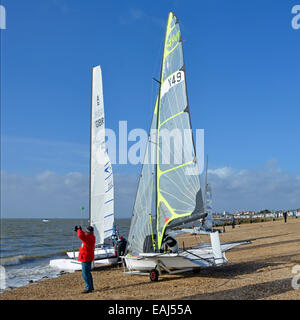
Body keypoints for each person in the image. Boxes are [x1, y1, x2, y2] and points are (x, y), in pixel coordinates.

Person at [74, 225, 95, 293]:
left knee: (85, 274)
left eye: (86, 231)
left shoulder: (88, 237)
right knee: (87, 273)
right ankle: (90, 287)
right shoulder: (91, 236)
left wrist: (79, 229)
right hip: (88, 256)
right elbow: (83, 235)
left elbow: (81, 235)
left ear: (88, 232)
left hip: (86, 257)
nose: (85, 232)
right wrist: (79, 230)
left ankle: (88, 288)